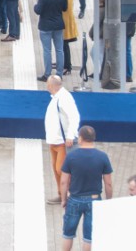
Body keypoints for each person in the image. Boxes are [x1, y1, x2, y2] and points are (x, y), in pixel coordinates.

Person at [60, 125, 113, 251]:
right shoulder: (103, 156)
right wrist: (108, 201)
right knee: (89, 237)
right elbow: (108, 183)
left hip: (74, 199)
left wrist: (63, 199)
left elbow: (64, 181)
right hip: (94, 200)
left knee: (68, 234)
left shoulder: (71, 156)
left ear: (80, 138)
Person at [44, 76, 80, 205]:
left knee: (62, 170)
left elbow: (74, 116)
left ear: (51, 85)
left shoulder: (64, 98)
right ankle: (61, 193)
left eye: (48, 84)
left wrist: (70, 135)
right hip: (54, 140)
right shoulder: (56, 97)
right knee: (56, 169)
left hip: (62, 142)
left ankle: (71, 194)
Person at [35, 0, 67, 80]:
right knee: (59, 50)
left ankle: (47, 74)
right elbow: (65, 8)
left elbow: (38, 10)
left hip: (46, 25)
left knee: (47, 50)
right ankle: (59, 74)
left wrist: (36, 5)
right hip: (58, 25)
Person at [57, 0, 78, 75]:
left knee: (64, 46)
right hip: (67, 21)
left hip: (65, 23)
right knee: (63, 45)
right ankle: (63, 62)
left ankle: (67, 66)